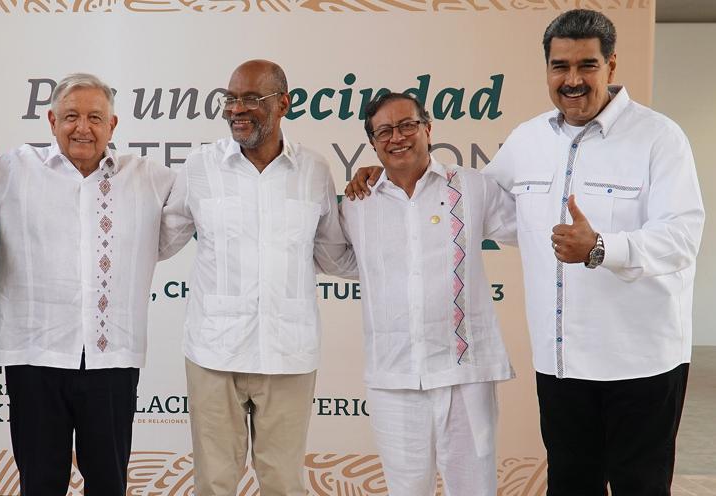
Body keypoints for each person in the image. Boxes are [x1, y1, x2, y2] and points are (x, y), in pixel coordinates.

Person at [345, 10, 704, 495]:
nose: (572, 80)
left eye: (587, 65)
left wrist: (601, 248)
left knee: (640, 486)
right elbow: (465, 200)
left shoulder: (659, 137)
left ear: (611, 65)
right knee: (570, 485)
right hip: (561, 363)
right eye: (560, 66)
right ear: (547, 69)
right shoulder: (527, 140)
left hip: (639, 361)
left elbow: (682, 237)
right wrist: (387, 174)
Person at [0, 73, 175, 495]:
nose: (83, 127)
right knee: (40, 484)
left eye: (95, 117)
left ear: (112, 125)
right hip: (35, 358)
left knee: (109, 483)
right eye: (71, 116)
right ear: (52, 121)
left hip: (111, 360)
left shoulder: (149, 178)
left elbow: (206, 200)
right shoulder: (13, 170)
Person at [159, 59, 350, 495]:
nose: (236, 109)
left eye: (250, 98)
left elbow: (334, 256)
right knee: (214, 484)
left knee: (284, 484)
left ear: (284, 103)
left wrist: (386, 209)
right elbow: (160, 241)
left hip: (288, 354)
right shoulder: (200, 167)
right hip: (214, 353)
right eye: (230, 99)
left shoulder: (315, 170)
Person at [338, 92, 516, 495]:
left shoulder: (473, 187)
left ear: (428, 129)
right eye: (384, 131)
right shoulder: (357, 203)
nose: (397, 137)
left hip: (466, 374)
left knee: (475, 489)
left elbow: (529, 227)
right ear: (372, 143)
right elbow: (337, 258)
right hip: (394, 376)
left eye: (407, 125)